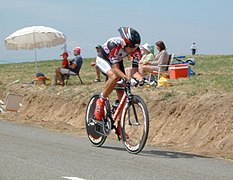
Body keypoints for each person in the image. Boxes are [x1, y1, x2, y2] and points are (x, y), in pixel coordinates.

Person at [94, 27, 144, 137]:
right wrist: (128, 78)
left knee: (122, 97)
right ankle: (101, 101)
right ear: (124, 42)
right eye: (130, 46)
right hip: (104, 58)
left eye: (134, 47)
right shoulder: (115, 46)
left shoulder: (136, 51)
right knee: (114, 76)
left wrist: (141, 79)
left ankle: (119, 126)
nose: (132, 50)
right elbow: (116, 69)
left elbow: (135, 71)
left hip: (117, 60)